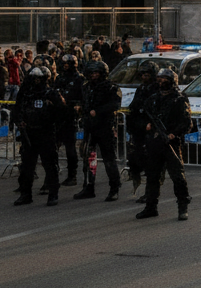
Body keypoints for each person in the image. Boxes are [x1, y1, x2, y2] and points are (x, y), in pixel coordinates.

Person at [135, 68, 193, 220]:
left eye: (164, 80)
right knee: (152, 177)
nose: (161, 83)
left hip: (171, 144)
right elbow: (137, 115)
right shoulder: (153, 99)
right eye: (159, 80)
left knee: (178, 177)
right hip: (154, 143)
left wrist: (174, 133)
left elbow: (187, 122)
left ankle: (182, 207)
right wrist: (145, 125)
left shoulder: (179, 99)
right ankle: (150, 207)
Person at [12, 67, 67, 207]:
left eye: (38, 78)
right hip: (29, 134)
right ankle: (26, 194)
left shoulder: (51, 93)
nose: (36, 81)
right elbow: (16, 110)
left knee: (50, 165)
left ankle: (53, 194)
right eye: (33, 78)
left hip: (46, 133)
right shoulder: (25, 93)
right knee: (27, 167)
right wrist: (19, 122)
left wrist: (54, 125)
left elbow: (62, 113)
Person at [75, 61, 123, 201]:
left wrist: (98, 111)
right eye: (92, 73)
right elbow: (83, 102)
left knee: (109, 160)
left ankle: (114, 188)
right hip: (90, 127)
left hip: (105, 127)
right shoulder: (86, 87)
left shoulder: (110, 87)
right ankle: (88, 187)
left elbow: (115, 105)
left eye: (96, 73)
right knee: (88, 158)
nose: (94, 76)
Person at [126, 61, 161, 198]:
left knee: (151, 164)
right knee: (135, 159)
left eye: (147, 75)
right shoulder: (141, 88)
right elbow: (134, 106)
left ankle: (150, 193)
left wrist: (150, 123)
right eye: (143, 75)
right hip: (138, 129)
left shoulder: (157, 90)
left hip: (151, 130)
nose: (144, 77)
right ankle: (138, 186)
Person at [55, 53, 84, 187]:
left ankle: (72, 175)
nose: (66, 66)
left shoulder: (79, 79)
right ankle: (53, 174)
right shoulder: (60, 78)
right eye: (64, 64)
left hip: (70, 116)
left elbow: (83, 97)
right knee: (53, 147)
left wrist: (78, 106)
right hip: (58, 115)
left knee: (70, 148)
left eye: (68, 64)